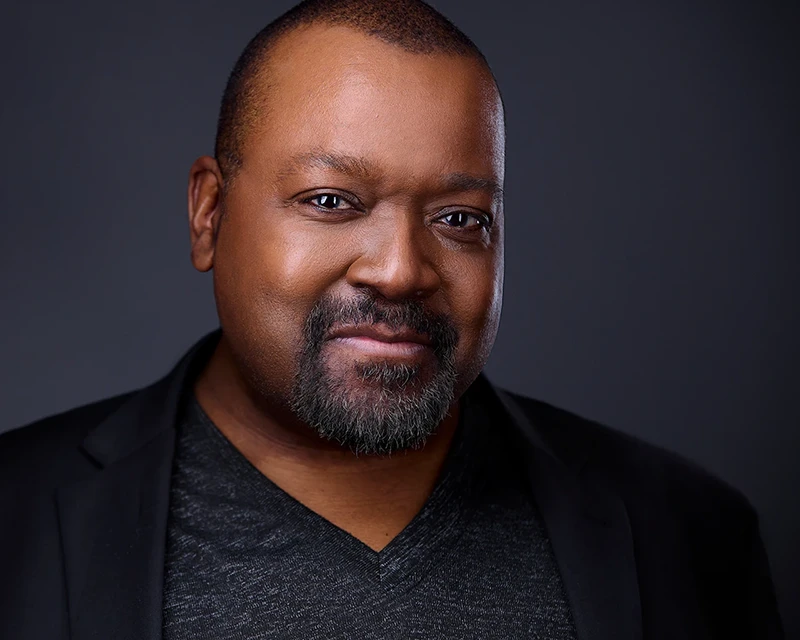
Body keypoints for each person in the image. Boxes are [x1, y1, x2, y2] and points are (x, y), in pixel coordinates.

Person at [0, 0, 784, 638]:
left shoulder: (688, 534)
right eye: (332, 202)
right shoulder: (18, 518)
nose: (402, 268)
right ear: (209, 214)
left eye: (459, 218)